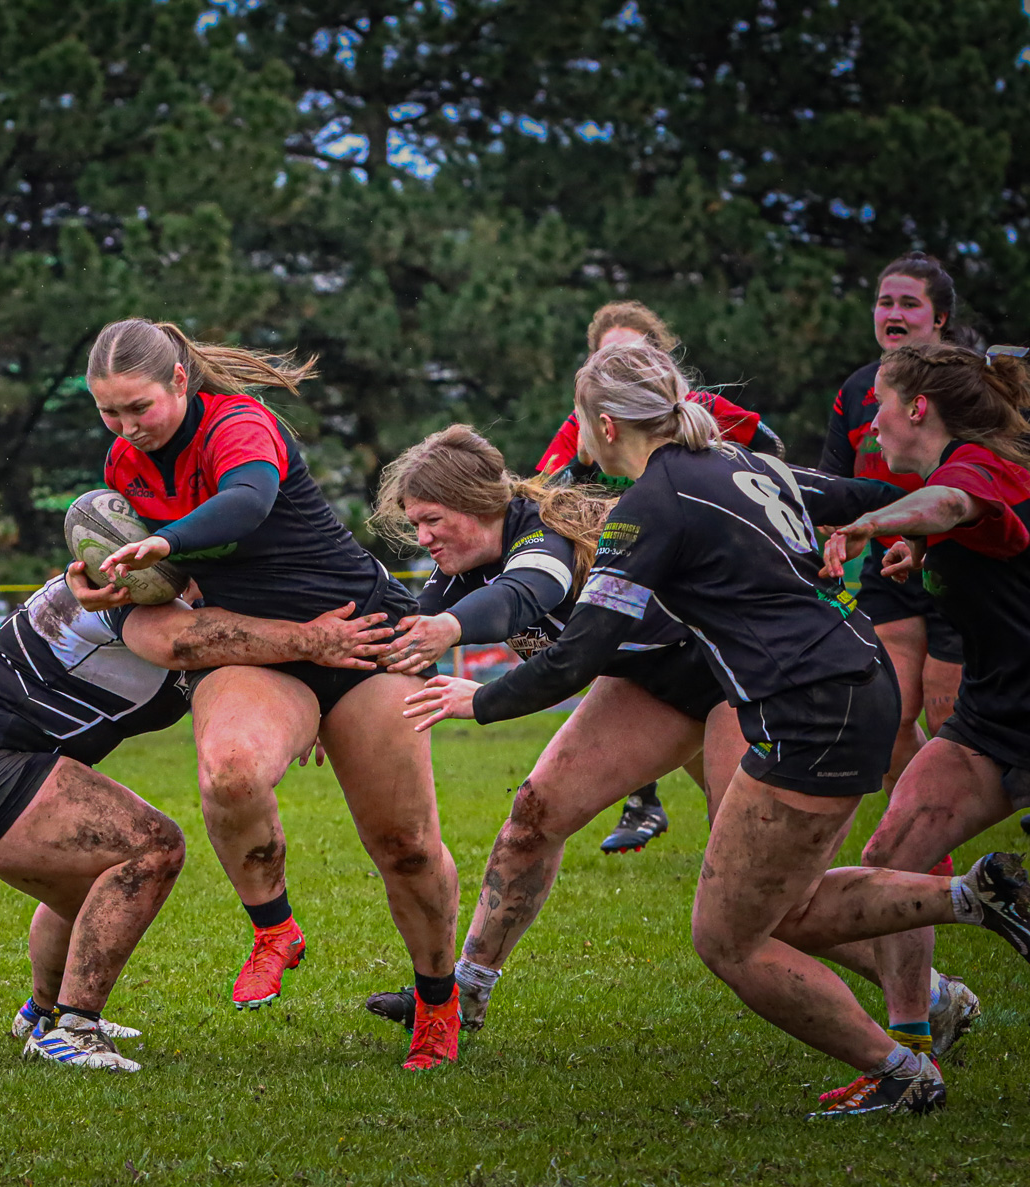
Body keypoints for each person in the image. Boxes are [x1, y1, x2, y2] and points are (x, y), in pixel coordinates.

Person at [409, 340, 1030, 1117]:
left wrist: (482, 701)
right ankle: (963, 921)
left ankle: (908, 1047)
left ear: (605, 424)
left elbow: (582, 653)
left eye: (577, 419)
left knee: (736, 933)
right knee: (773, 906)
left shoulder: (650, 506)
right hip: (846, 681)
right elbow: (840, 490)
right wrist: (898, 522)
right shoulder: (746, 465)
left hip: (804, 704)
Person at [87, 317, 461, 1070]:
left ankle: (437, 1001)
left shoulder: (240, 423)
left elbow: (247, 504)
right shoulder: (125, 465)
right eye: (109, 412)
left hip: (364, 637)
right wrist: (104, 580)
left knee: (407, 846)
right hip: (263, 648)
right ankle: (274, 927)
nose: (128, 428)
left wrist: (167, 541)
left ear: (180, 383)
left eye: (140, 408)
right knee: (230, 771)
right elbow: (165, 583)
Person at [0, 563, 393, 1072]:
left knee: (91, 883)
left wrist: (301, 704)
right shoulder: (112, 593)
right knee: (152, 846)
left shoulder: (166, 603)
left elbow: (228, 655)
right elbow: (187, 643)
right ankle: (74, 1029)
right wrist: (314, 641)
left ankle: (42, 1014)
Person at [356, 425, 744, 1033]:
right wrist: (338, 710)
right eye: (415, 522)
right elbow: (405, 637)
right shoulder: (461, 568)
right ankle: (466, 992)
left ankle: (928, 995)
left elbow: (528, 593)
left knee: (754, 886)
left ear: (478, 502)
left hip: (737, 675)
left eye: (432, 519)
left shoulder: (544, 532)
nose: (422, 537)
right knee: (535, 816)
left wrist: (454, 635)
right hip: (657, 687)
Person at [813, 342, 1030, 1091]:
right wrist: (918, 549)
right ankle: (909, 1054)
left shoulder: (975, 468)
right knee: (892, 862)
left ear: (917, 409)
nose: (868, 423)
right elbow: (965, 533)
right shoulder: (951, 479)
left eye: (878, 403)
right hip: (994, 719)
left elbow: (958, 503)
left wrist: (878, 525)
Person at [537, 300, 786, 853]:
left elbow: (769, 449)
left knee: (683, 687)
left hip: (695, 588)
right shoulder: (583, 425)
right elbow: (544, 497)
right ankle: (644, 799)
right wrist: (579, 465)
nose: (618, 364)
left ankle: (710, 817)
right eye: (607, 355)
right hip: (630, 573)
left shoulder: (697, 410)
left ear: (661, 359)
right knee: (616, 657)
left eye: (634, 352)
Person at [820, 253, 966, 794]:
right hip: (885, 565)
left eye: (910, 302)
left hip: (962, 559)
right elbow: (832, 483)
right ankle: (934, 836)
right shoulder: (857, 388)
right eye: (885, 302)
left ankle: (960, 810)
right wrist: (827, 544)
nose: (894, 312)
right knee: (887, 716)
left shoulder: (969, 383)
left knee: (948, 719)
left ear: (940, 317)